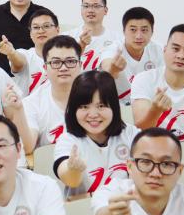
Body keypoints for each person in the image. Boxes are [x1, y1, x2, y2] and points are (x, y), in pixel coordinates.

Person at [53, 71, 139, 199]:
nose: (93, 114)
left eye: (101, 106)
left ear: (114, 107)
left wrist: (91, 196)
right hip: (84, 210)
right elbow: (70, 179)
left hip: (126, 208)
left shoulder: (131, 134)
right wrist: (73, 169)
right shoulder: (68, 141)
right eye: (84, 107)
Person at [22, 35, 83, 147]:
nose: (63, 68)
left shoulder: (95, 96)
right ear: (45, 68)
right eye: (56, 62)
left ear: (80, 65)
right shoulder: (31, 104)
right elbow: (28, 147)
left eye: (70, 61)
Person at [0, 7, 61, 96]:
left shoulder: (65, 58)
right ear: (30, 33)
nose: (41, 31)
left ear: (57, 30)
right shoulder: (25, 54)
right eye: (36, 27)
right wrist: (12, 53)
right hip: (27, 104)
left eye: (46, 26)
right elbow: (19, 64)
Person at [109, 7, 164, 102]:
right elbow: (106, 65)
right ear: (124, 31)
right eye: (133, 30)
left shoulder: (159, 50)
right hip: (119, 106)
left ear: (152, 32)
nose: (138, 36)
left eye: (144, 30)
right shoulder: (114, 49)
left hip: (149, 106)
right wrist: (112, 70)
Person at [63, 0, 121, 71]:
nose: (90, 10)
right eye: (86, 6)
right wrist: (81, 45)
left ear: (105, 10)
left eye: (96, 6)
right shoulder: (66, 37)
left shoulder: (118, 39)